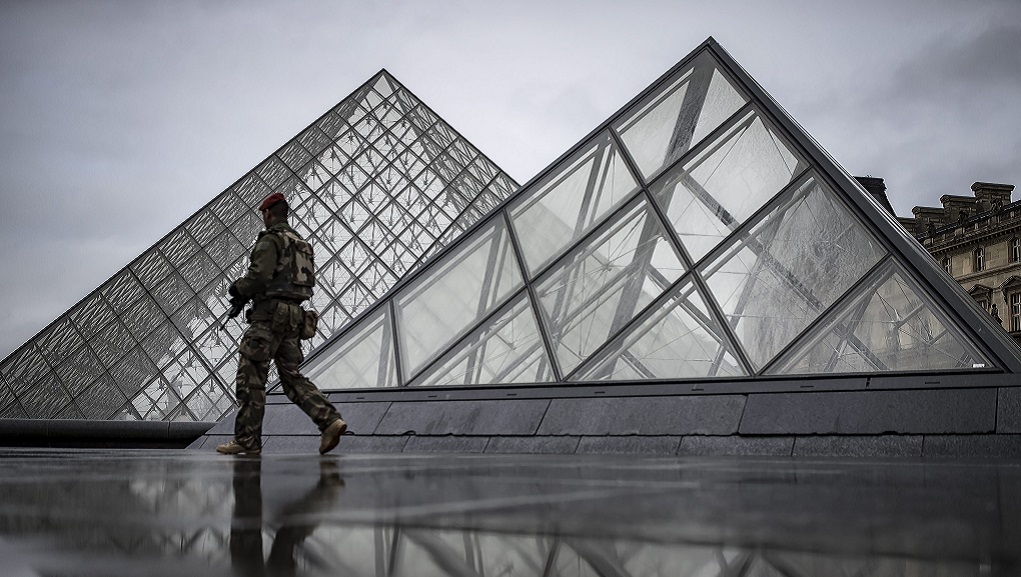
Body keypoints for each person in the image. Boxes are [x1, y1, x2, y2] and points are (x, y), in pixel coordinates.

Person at [216, 192, 347, 455]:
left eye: (262, 214)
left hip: (268, 319)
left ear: (268, 213)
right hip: (294, 319)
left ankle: (247, 439)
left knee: (251, 377)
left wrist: (238, 288)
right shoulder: (302, 244)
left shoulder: (271, 239)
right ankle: (330, 420)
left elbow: (259, 276)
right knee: (292, 378)